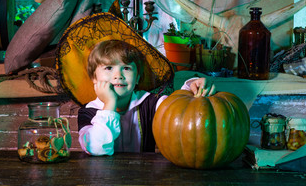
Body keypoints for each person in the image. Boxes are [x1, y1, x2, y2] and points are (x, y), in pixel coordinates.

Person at [56, 12, 215, 156]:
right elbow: (97, 149)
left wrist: (192, 86)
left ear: (138, 77)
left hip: (144, 176)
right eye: (109, 68)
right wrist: (110, 104)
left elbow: (178, 108)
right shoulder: (88, 112)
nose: (118, 75)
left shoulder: (151, 103)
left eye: (126, 68)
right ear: (94, 78)